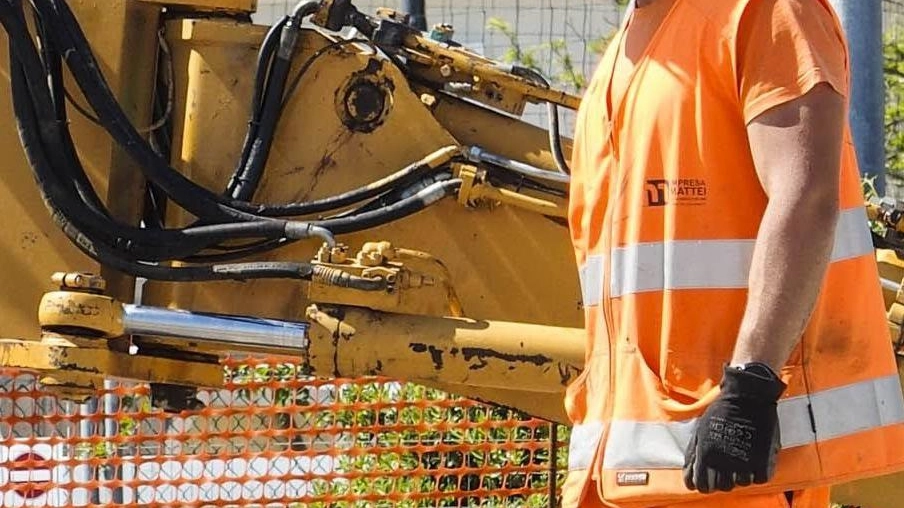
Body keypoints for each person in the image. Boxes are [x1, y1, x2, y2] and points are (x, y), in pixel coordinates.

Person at [562, 0, 904, 507]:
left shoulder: (763, 11)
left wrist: (749, 388)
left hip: (734, 464)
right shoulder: (629, 49)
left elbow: (806, 195)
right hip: (628, 471)